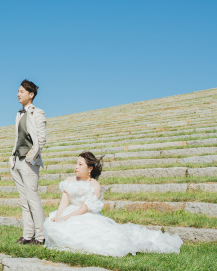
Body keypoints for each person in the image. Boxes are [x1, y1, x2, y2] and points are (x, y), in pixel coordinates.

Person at [44, 151, 183, 257]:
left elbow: (84, 208)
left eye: (80, 164)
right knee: (53, 225)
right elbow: (64, 202)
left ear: (90, 168)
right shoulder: (69, 180)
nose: (76, 167)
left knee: (88, 236)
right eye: (75, 163)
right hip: (69, 211)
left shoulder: (94, 185)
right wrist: (58, 216)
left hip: (85, 215)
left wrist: (66, 218)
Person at [9, 79, 47, 245]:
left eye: (22, 91)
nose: (18, 94)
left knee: (33, 199)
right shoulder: (19, 114)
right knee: (24, 201)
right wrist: (13, 159)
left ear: (31, 95)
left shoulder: (37, 113)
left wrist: (31, 159)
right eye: (18, 91)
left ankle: (40, 236)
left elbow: (41, 139)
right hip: (17, 161)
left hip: (29, 162)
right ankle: (27, 235)